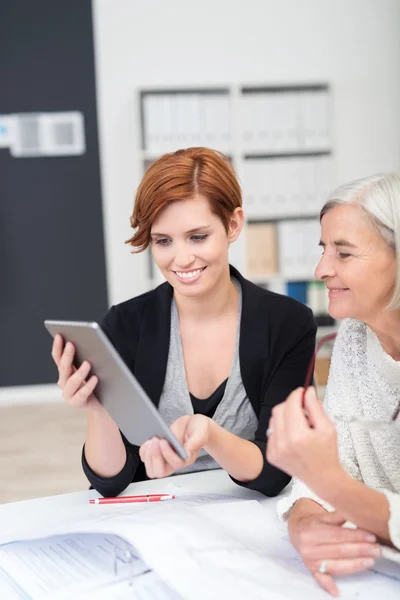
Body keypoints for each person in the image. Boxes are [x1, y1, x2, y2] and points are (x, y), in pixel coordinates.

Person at [52, 147, 316, 498]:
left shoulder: (288, 323)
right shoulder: (125, 324)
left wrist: (210, 434)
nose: (181, 258)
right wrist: (98, 406)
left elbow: (275, 472)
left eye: (197, 236)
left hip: (250, 511)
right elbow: (110, 482)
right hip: (156, 516)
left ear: (233, 224)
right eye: (163, 241)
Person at [266, 172, 400, 597]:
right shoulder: (354, 337)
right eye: (324, 249)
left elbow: (330, 477)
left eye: (344, 253)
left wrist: (330, 485)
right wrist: (304, 521)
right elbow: (335, 463)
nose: (321, 269)